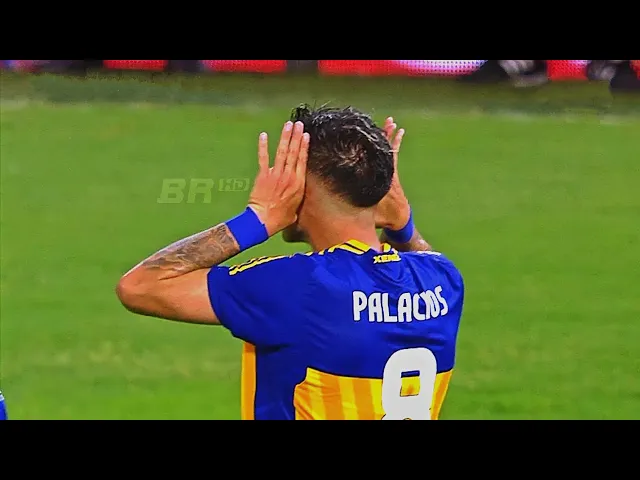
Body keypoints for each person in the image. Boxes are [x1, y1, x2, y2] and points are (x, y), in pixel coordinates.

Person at [116, 105, 465, 420]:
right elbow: (423, 257)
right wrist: (403, 225)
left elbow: (140, 286)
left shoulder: (299, 286)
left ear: (303, 191)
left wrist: (258, 218)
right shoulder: (443, 282)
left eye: (287, 172)